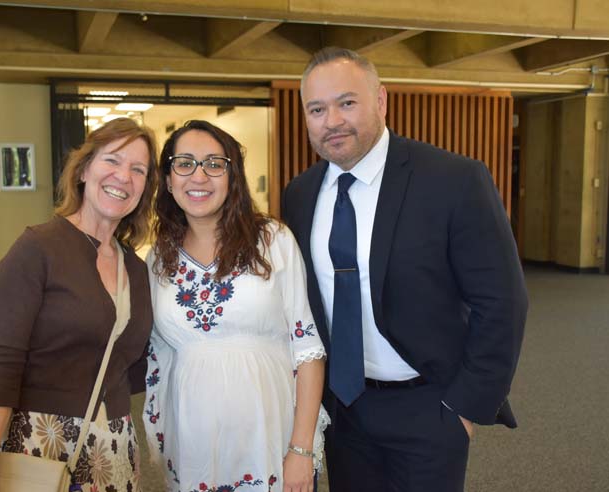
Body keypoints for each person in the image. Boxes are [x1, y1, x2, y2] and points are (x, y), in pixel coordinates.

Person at [282, 47, 528, 492]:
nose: (331, 121)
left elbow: (502, 302)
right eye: (316, 109)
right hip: (343, 411)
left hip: (429, 407)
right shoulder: (300, 194)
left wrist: (465, 409)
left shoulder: (453, 180)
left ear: (381, 101)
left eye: (347, 102)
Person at [0, 117, 158, 492]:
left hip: (115, 451)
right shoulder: (37, 249)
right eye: (113, 161)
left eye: (138, 170)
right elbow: (4, 366)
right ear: (84, 170)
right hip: (43, 444)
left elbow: (130, 364)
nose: (124, 176)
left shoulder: (136, 268)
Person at [144, 120, 329, 492]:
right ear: (167, 179)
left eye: (214, 163)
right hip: (194, 443)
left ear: (232, 176)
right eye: (184, 163)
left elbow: (307, 347)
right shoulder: (158, 260)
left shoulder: (272, 240)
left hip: (272, 437)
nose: (200, 176)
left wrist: (301, 448)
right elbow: (157, 357)